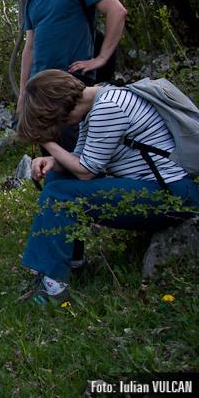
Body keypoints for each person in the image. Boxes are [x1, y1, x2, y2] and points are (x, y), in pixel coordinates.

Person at [16, 70, 199, 304]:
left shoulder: (108, 107)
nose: (61, 125)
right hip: (158, 191)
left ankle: (53, 289)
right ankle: (72, 264)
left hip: (173, 196)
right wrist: (50, 161)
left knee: (59, 195)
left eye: (56, 120)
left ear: (60, 107)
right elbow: (79, 161)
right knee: (56, 179)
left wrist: (46, 142)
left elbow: (86, 172)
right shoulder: (100, 102)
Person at [19, 0, 128, 151]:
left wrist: (101, 58)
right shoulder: (32, 0)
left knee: (75, 153)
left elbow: (117, 11)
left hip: (71, 84)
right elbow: (29, 48)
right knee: (51, 157)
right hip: (40, 91)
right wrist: (24, 93)